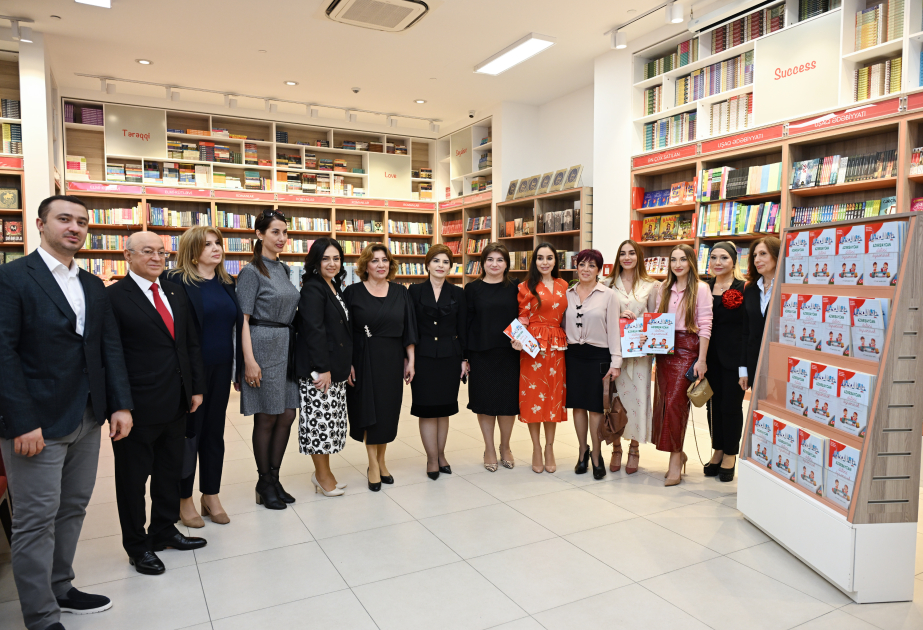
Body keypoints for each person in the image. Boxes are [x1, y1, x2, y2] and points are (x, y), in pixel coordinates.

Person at [0, 196, 133, 630]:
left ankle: (61, 586)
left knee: (72, 507)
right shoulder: (12, 278)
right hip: (35, 424)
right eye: (64, 219)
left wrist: (120, 404)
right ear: (41, 224)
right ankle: (40, 616)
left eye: (82, 221)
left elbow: (108, 347)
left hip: (87, 416)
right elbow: (3, 354)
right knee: (35, 520)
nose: (74, 227)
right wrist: (21, 421)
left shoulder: (92, 284)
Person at [108, 231, 207, 575]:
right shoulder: (114, 297)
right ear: (128, 256)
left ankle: (164, 530)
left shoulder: (175, 291)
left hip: (177, 400)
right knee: (133, 481)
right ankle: (137, 546)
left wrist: (195, 388)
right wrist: (119, 405)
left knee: (169, 472)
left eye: (161, 252)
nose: (156, 258)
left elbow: (190, 343)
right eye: (147, 251)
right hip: (136, 407)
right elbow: (111, 355)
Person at [164, 226, 243, 527]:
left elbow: (235, 328)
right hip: (189, 373)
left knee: (214, 434)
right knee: (189, 436)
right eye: (207, 244)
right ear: (192, 250)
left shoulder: (227, 282)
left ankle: (211, 494)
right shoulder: (176, 281)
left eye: (218, 243)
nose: (216, 248)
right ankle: (183, 498)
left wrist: (238, 367)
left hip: (221, 369)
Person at [238, 210, 302, 510]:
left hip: (286, 346)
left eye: (285, 232)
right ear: (259, 234)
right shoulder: (251, 272)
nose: (282, 238)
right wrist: (249, 361)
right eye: (275, 232)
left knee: (287, 414)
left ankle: (274, 479)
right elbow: (242, 319)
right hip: (262, 346)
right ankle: (264, 481)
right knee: (267, 416)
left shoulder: (284, 269)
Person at [344, 244, 417, 491]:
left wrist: (411, 360)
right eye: (374, 260)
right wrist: (348, 363)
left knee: (387, 412)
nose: (380, 265)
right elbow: (345, 332)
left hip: (392, 359)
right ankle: (372, 464)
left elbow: (409, 328)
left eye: (384, 260)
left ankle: (382, 460)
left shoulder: (401, 292)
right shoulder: (352, 292)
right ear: (365, 265)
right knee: (367, 410)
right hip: (362, 359)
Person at [294, 238, 353, 497]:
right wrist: (322, 368)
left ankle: (324, 472)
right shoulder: (312, 288)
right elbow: (314, 330)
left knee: (330, 423)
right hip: (319, 371)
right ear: (315, 261)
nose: (332, 263)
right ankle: (321, 475)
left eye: (336, 258)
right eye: (326, 258)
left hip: (334, 367)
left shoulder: (334, 286)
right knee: (319, 424)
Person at [652, 244, 712, 487]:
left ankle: (675, 460)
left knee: (676, 405)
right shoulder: (663, 288)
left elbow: (705, 325)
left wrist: (702, 360)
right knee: (664, 404)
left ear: (691, 263)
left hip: (688, 349)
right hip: (664, 350)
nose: (678, 264)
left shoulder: (701, 288)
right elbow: (657, 318)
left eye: (683, 259)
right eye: (674, 260)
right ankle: (679, 453)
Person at [408, 244, 467, 480]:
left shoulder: (458, 293)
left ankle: (441, 455)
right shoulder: (414, 291)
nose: (440, 266)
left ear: (450, 267)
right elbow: (410, 327)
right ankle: (431, 458)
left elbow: (462, 328)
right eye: (436, 261)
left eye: (445, 262)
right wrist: (409, 360)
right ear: (427, 264)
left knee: (444, 410)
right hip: (422, 358)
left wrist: (464, 359)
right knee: (426, 410)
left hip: (449, 358)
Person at [602, 239, 660, 474]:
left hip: (640, 355)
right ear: (618, 257)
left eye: (632, 253)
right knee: (615, 401)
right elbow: (602, 318)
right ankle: (616, 447)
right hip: (615, 353)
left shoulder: (651, 286)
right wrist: (618, 317)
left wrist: (645, 329)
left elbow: (655, 318)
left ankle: (634, 449)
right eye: (623, 253)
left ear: (639, 257)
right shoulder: (607, 284)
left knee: (638, 400)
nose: (627, 257)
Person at [564, 249, 621, 480]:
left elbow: (614, 330)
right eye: (582, 264)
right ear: (576, 267)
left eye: (591, 265)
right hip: (573, 356)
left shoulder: (609, 295)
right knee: (578, 406)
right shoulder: (567, 294)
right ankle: (582, 451)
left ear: (599, 270)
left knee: (596, 408)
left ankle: (597, 454)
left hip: (598, 356)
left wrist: (616, 362)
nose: (586, 269)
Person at [464, 243, 520, 472]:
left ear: (507, 264)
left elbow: (524, 317)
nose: (494, 264)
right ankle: (489, 448)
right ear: (482, 263)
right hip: (481, 354)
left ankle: (505, 446)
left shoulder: (517, 287)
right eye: (490, 259)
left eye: (500, 260)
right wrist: (465, 357)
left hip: (510, 354)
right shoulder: (472, 289)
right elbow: (466, 324)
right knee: (485, 404)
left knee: (507, 404)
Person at [515, 242, 569, 474]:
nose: (544, 262)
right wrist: (517, 339)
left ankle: (549, 448)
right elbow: (522, 319)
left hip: (557, 346)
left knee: (553, 398)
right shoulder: (526, 286)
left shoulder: (564, 285)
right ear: (534, 261)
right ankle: (536, 447)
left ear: (555, 261)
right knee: (533, 397)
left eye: (549, 258)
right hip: (533, 347)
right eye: (540, 258)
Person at [703, 242, 747, 483]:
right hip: (708, 358)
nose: (717, 262)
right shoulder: (704, 287)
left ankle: (730, 453)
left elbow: (748, 328)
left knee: (730, 406)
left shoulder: (744, 287)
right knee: (712, 407)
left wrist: (746, 364)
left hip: (734, 359)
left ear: (733, 261)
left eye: (724, 258)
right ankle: (717, 449)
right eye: (713, 257)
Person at [741, 236, 781, 392]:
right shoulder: (750, 289)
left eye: (763, 254)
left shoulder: (787, 287)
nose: (757, 259)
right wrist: (743, 370)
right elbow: (745, 332)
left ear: (777, 255)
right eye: (755, 255)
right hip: (755, 364)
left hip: (781, 364)